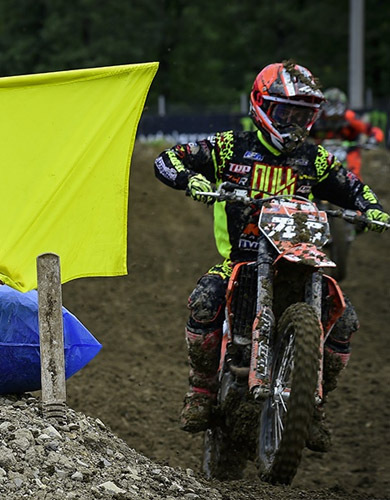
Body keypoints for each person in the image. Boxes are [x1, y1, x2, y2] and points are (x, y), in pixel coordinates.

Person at [153, 61, 389, 452]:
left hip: (301, 260)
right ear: (262, 106)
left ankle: (311, 406)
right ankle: (201, 391)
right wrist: (192, 178)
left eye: (303, 115)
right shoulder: (232, 147)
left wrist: (373, 209)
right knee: (205, 299)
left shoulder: (314, 159)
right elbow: (168, 160)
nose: (294, 123)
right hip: (240, 259)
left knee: (344, 320)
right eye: (286, 113)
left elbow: (353, 188)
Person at [310, 87, 385, 178]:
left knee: (353, 175)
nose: (334, 110)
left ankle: (356, 190)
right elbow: (303, 132)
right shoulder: (316, 118)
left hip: (349, 150)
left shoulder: (349, 117)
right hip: (321, 151)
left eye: (337, 105)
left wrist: (373, 140)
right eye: (331, 105)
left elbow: (373, 130)